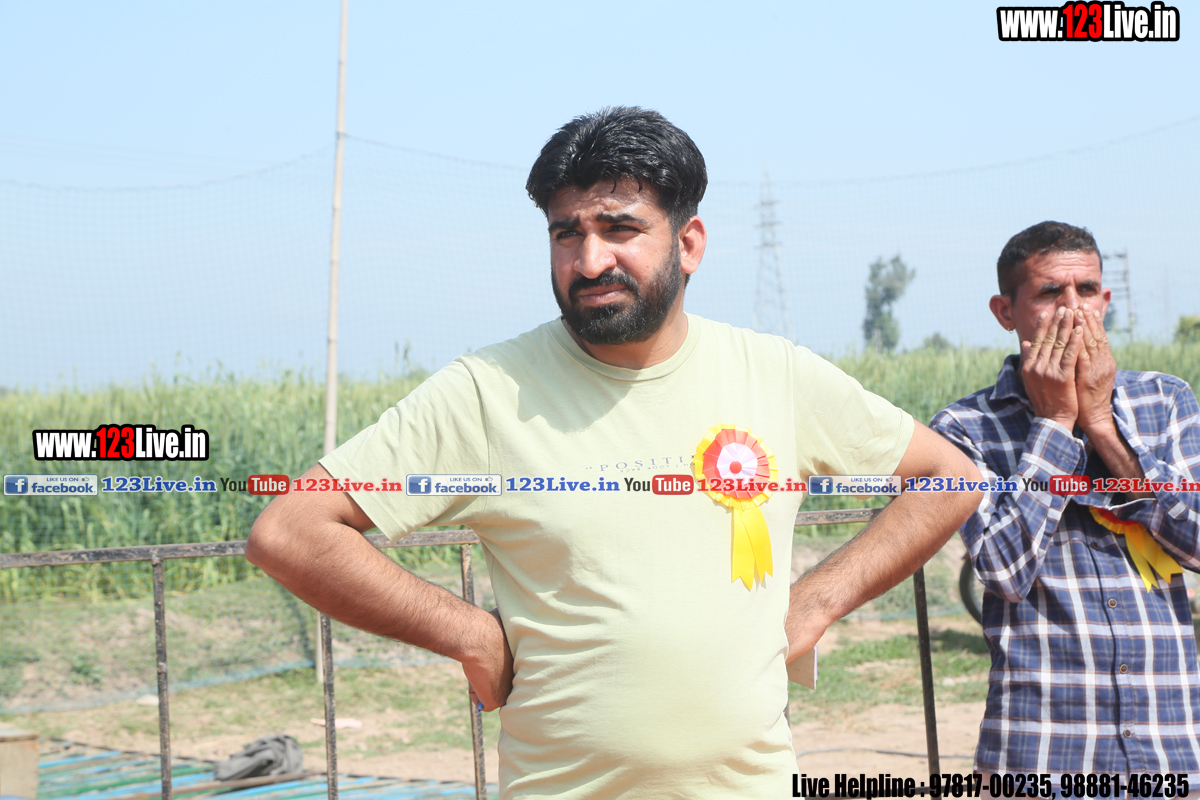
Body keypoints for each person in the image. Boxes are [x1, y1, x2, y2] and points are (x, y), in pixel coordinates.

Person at [246, 106, 982, 798]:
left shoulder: (775, 374)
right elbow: (292, 531)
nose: (590, 259)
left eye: (620, 228)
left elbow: (947, 477)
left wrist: (817, 602)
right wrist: (466, 631)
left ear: (689, 243)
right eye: (566, 234)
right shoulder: (488, 392)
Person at [931, 221, 1200, 778]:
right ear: (1005, 312)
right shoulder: (964, 428)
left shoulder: (1166, 400)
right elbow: (1003, 570)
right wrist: (1055, 422)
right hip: (1042, 755)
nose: (1073, 309)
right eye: (1050, 292)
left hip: (1170, 747)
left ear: (1106, 301)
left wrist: (1101, 425)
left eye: (1087, 290)